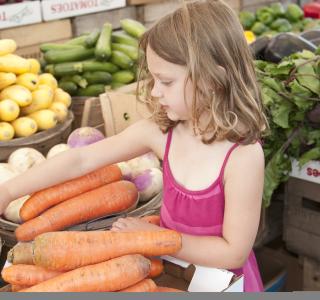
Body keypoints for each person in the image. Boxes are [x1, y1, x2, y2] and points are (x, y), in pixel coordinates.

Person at [0, 0, 268, 292]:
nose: (154, 91)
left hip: (223, 284)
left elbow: (233, 252)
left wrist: (152, 237)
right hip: (170, 271)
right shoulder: (161, 132)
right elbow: (81, 161)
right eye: (153, 79)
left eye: (166, 81)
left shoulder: (243, 156)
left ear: (212, 80)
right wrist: (10, 190)